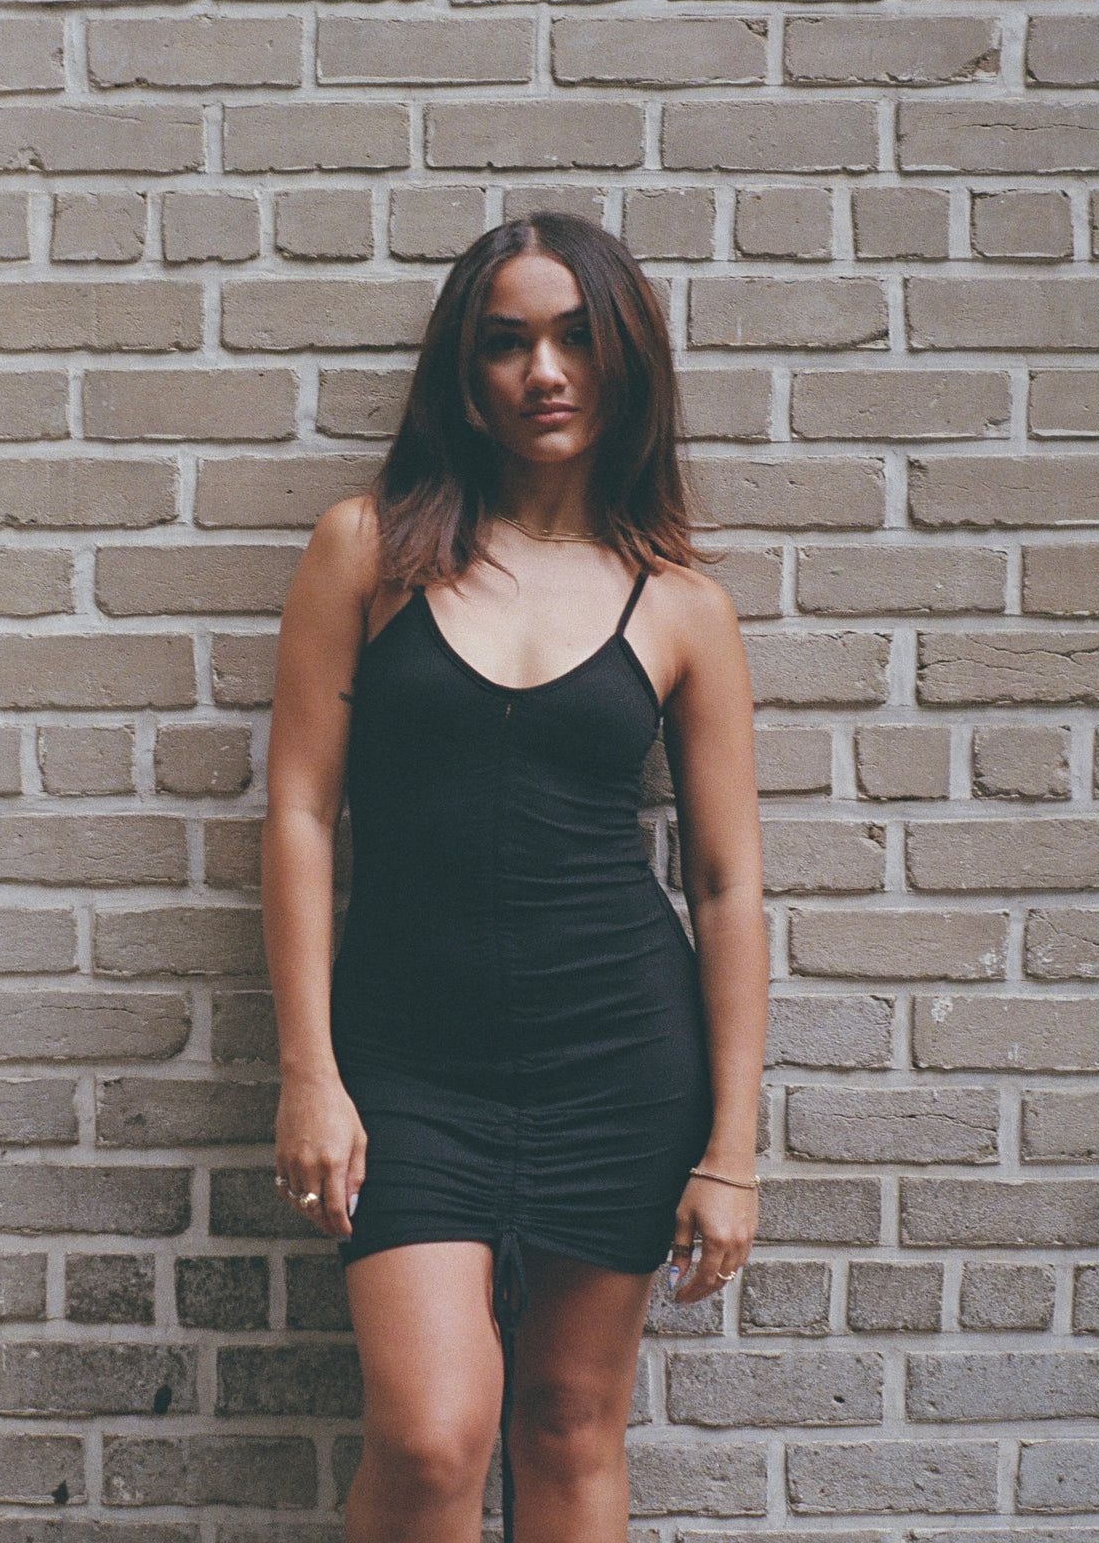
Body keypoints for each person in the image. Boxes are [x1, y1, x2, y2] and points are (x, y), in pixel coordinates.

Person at [261, 212, 769, 1543]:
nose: (546, 370)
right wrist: (310, 1070)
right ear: (465, 371)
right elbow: (301, 815)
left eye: (577, 337)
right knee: (431, 1438)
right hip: (407, 1062)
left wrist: (730, 1150)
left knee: (569, 1422)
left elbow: (727, 886)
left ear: (625, 361)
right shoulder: (367, 550)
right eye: (508, 341)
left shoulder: (680, 604)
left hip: (620, 1061)